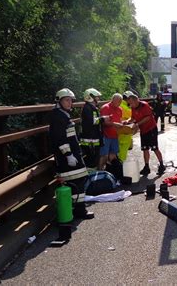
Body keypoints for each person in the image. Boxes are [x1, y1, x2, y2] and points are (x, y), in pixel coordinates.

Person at [49, 88, 93, 220]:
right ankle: (79, 211)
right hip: (67, 157)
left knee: (79, 181)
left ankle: (78, 209)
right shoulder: (58, 117)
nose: (69, 103)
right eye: (66, 100)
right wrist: (68, 154)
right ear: (59, 101)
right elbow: (60, 138)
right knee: (76, 182)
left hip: (73, 155)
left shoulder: (63, 115)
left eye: (70, 100)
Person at [126, 93, 166, 176]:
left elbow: (148, 117)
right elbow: (133, 118)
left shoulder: (144, 105)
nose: (130, 105)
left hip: (151, 129)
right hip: (143, 130)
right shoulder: (133, 108)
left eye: (131, 103)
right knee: (145, 149)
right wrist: (127, 121)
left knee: (155, 148)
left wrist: (137, 124)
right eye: (129, 103)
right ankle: (147, 167)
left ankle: (162, 165)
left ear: (136, 100)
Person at [80, 88, 106, 169]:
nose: (98, 98)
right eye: (96, 96)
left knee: (94, 159)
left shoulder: (91, 107)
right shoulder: (88, 108)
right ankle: (91, 177)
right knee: (91, 160)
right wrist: (103, 119)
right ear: (90, 97)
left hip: (93, 138)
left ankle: (93, 176)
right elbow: (93, 122)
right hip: (90, 140)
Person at [99, 93, 124, 169]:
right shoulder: (105, 107)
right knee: (104, 155)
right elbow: (103, 122)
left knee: (113, 154)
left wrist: (124, 123)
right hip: (106, 135)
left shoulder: (120, 109)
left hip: (115, 136)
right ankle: (100, 172)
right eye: (117, 100)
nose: (119, 102)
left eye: (120, 101)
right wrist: (114, 124)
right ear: (112, 100)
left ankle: (111, 172)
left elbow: (119, 120)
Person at [118, 91, 134, 162]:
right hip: (124, 133)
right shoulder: (125, 108)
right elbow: (133, 115)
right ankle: (121, 165)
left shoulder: (119, 104)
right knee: (123, 151)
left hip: (117, 132)